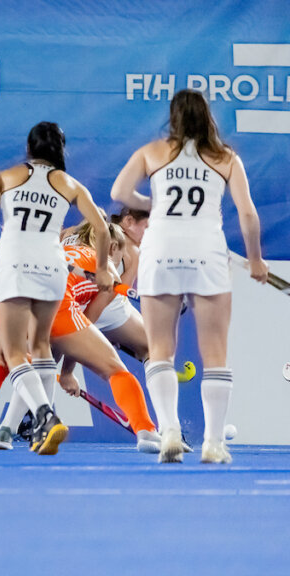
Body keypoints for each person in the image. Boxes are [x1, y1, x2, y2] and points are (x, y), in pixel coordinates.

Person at [111, 89, 267, 464]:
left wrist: (153, 203)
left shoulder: (153, 152)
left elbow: (119, 191)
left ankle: (169, 432)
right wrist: (256, 260)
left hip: (161, 250)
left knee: (160, 350)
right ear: (207, 117)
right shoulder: (225, 157)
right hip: (206, 252)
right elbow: (247, 214)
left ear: (173, 118)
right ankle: (213, 442)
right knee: (215, 352)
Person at [0, 121, 111, 456]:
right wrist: (104, 268)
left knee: (13, 353)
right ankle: (36, 424)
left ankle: (44, 415)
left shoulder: (9, 176)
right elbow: (104, 230)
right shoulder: (70, 184)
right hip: (53, 268)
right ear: (60, 149)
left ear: (29, 147)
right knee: (40, 345)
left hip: (16, 265)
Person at [0, 221, 161, 453]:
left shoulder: (57, 249)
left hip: (11, 294)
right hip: (55, 304)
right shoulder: (107, 266)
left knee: (7, 362)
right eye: (121, 256)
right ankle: (146, 432)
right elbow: (86, 323)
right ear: (112, 248)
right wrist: (68, 372)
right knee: (115, 369)